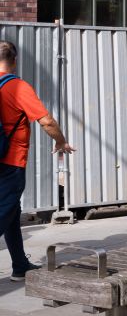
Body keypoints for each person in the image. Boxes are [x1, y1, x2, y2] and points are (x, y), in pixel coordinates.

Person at [0, 41, 74, 279]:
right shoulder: (18, 87)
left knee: (12, 212)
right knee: (4, 212)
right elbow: (47, 121)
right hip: (10, 162)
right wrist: (61, 142)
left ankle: (20, 266)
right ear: (15, 59)